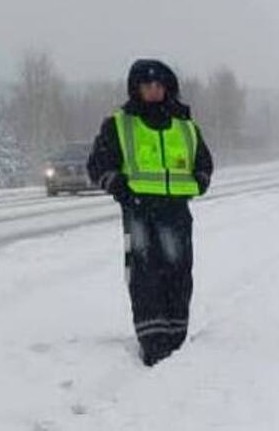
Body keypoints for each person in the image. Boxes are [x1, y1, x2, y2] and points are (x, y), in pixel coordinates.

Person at [87, 59, 214, 366]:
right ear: (136, 89)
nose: (154, 91)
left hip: (175, 210)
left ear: (168, 87)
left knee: (178, 272)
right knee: (145, 274)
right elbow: (98, 164)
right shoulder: (119, 124)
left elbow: (204, 162)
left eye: (159, 85)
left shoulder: (185, 125)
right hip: (139, 210)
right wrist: (118, 186)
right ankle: (153, 342)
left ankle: (177, 335)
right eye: (147, 86)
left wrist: (200, 180)